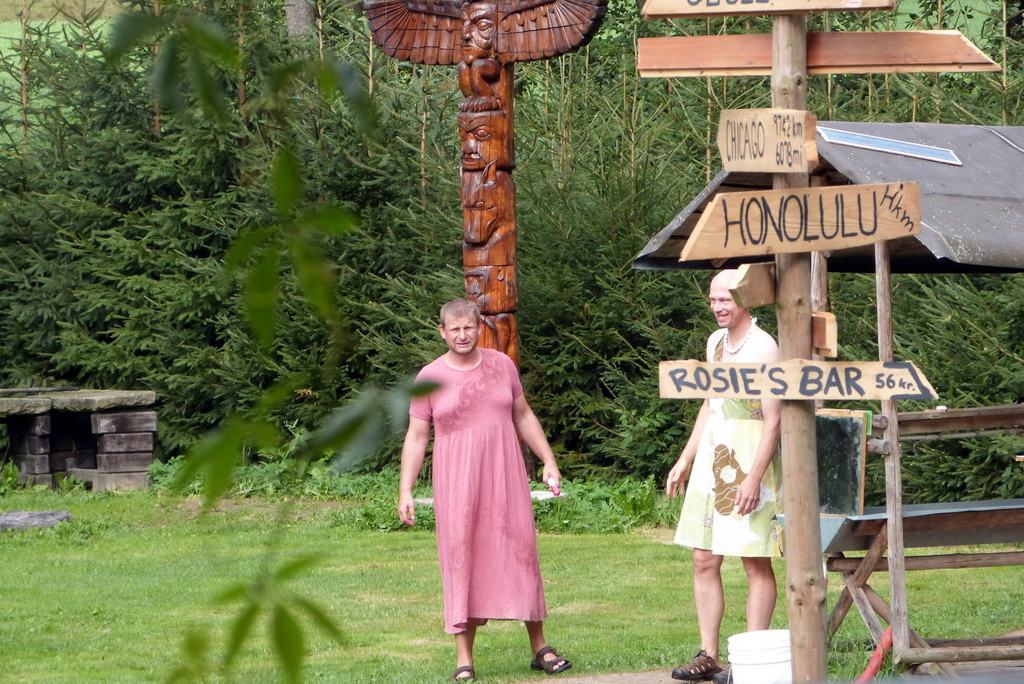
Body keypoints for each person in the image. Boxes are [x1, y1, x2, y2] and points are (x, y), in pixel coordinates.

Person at [399, 298, 572, 681]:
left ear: (480, 328)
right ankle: (465, 659)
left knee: (522, 553)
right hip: (457, 485)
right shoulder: (429, 377)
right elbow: (416, 437)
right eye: (455, 329)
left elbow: (523, 414)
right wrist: (405, 490)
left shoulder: (502, 365)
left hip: (506, 478)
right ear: (442, 332)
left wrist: (548, 460)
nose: (462, 335)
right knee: (462, 559)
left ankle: (540, 647)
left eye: (469, 327)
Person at [666, 270, 784, 682]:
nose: (718, 307)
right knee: (703, 557)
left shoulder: (764, 347)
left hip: (751, 458)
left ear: (744, 300)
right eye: (714, 299)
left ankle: (750, 659)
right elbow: (710, 404)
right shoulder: (715, 342)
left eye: (726, 300)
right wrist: (686, 459)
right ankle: (709, 655)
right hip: (713, 458)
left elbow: (774, 421)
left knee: (754, 560)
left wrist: (753, 478)